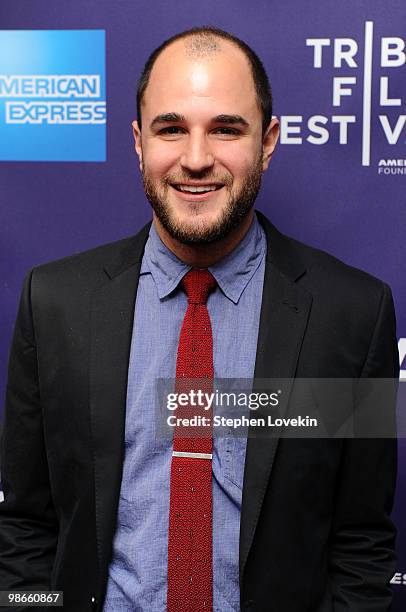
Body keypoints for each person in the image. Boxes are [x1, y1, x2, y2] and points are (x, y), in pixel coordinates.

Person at [0, 26, 399, 612]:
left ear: (267, 141)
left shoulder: (353, 316)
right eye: (170, 129)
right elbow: (25, 527)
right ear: (139, 142)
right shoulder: (54, 302)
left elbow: (361, 544)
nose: (194, 159)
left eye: (225, 129)